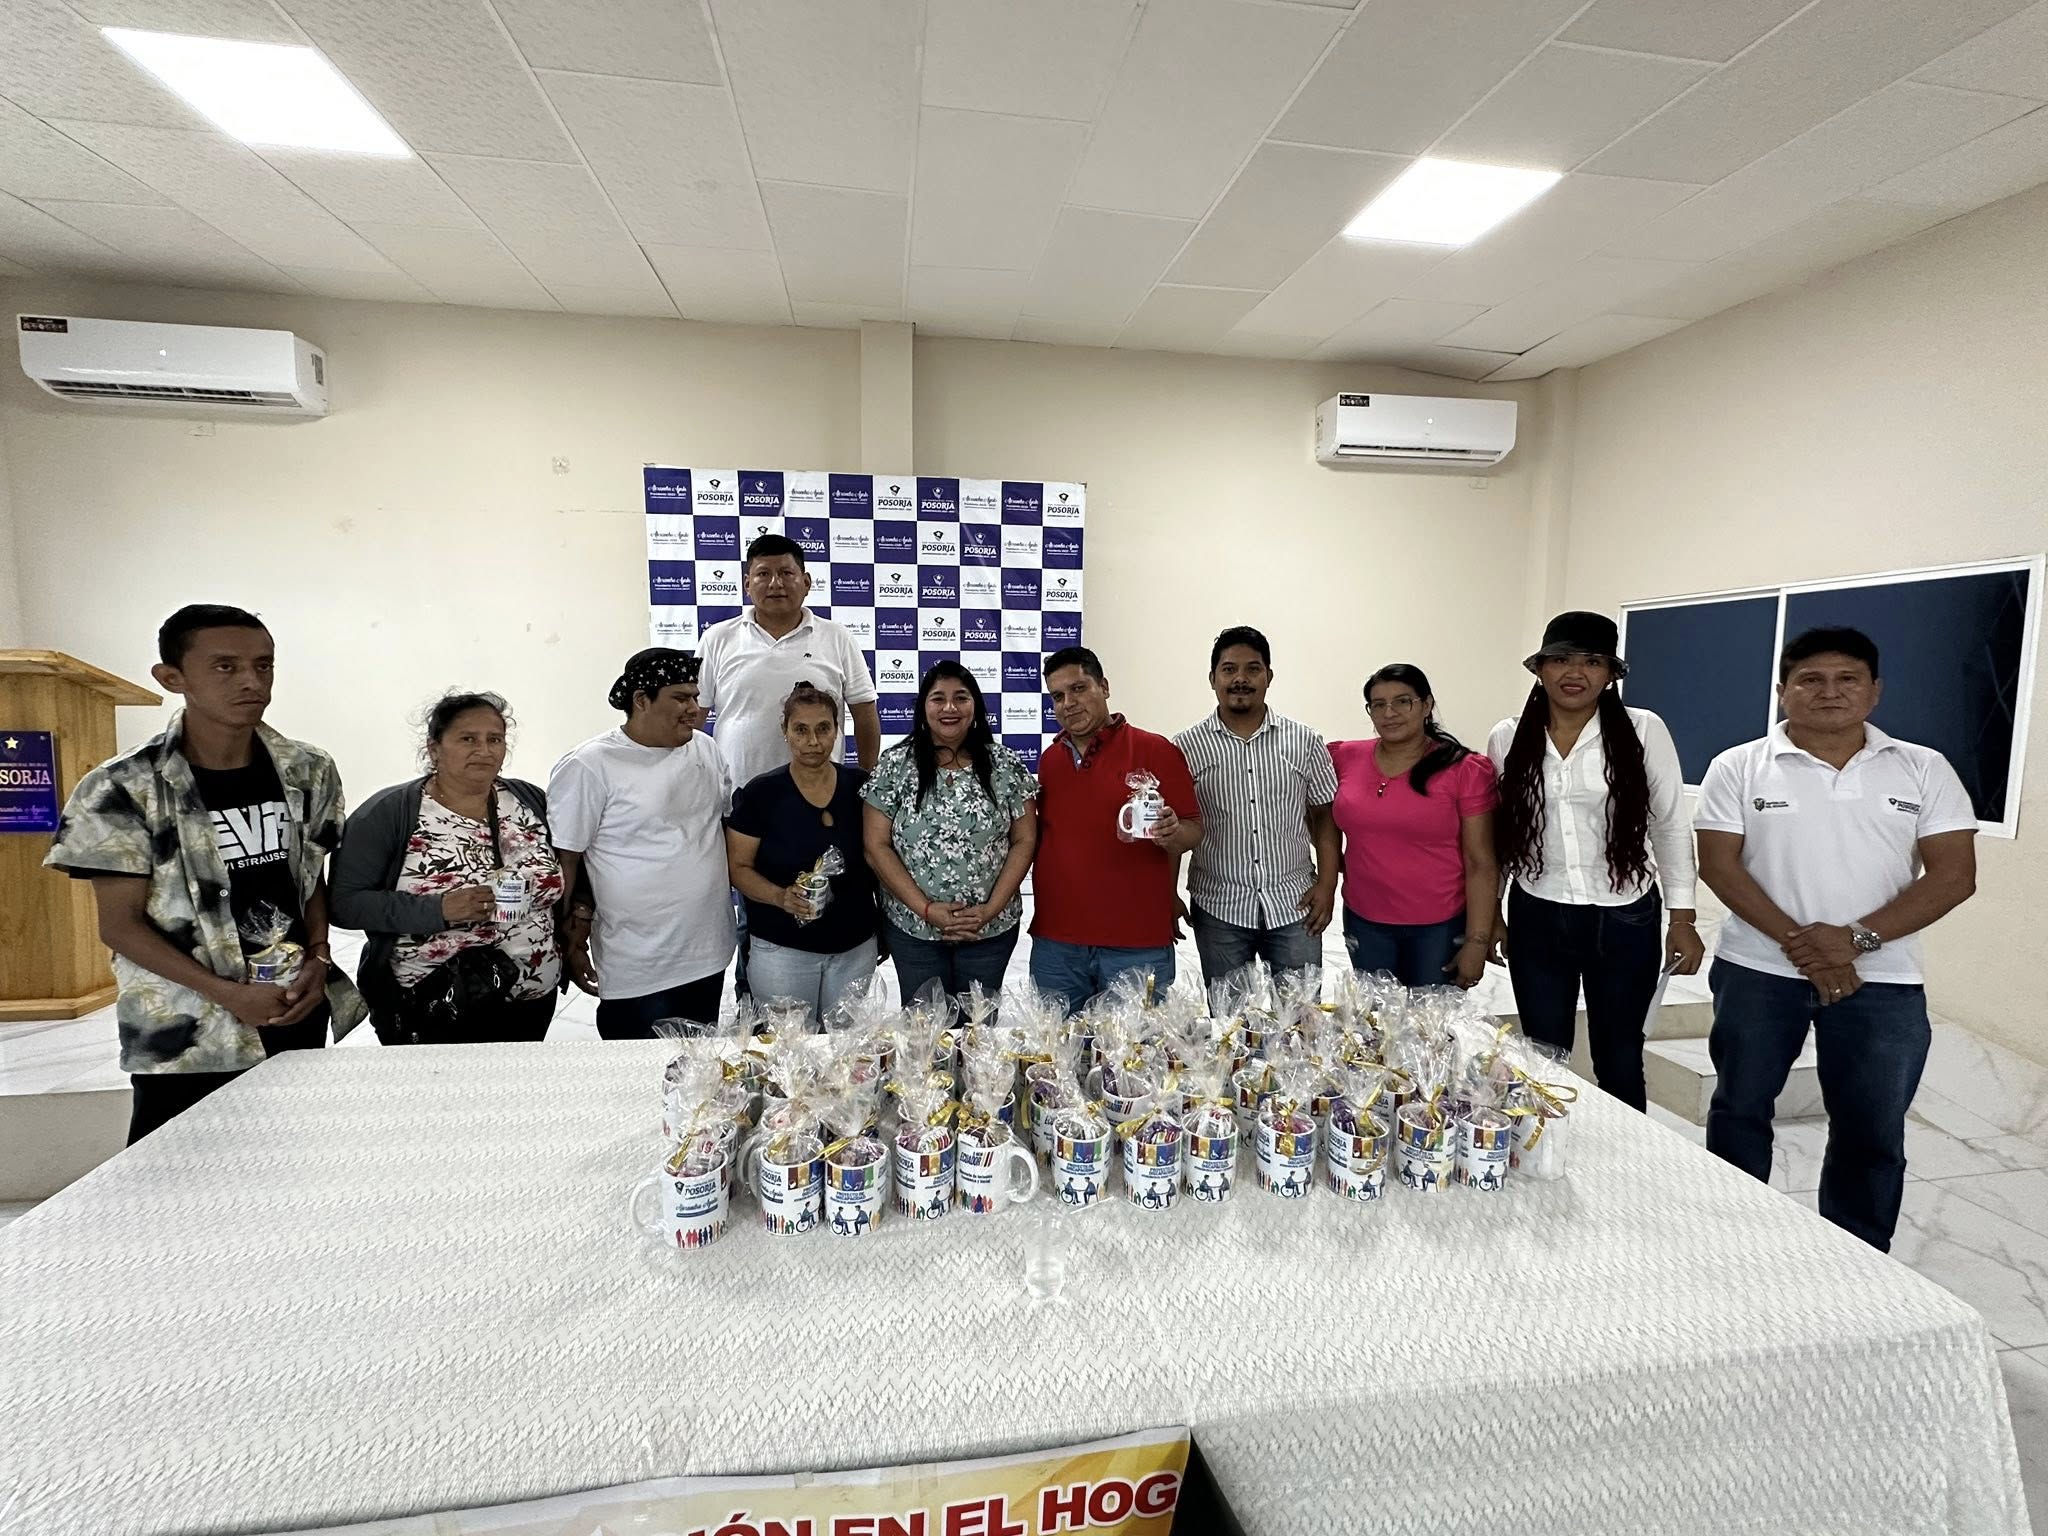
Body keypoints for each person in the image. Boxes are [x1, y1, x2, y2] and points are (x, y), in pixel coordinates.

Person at [1696, 627, 1978, 1252]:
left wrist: (1855, 940)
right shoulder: (1738, 766)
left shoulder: (1923, 768)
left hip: (1884, 980)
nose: (1830, 691)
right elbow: (1718, 865)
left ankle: (1856, 1262)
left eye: (1847, 678)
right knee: (1740, 1111)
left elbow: (1955, 876)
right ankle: (1728, 1246)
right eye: (1811, 679)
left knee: (1872, 1131)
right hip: (1758, 972)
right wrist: (1811, 948)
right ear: (1782, 691)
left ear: (1874, 691)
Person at [42, 604, 365, 1143]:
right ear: (172, 677)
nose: (251, 681)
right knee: (176, 1172)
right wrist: (227, 994)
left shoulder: (308, 770)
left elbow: (309, 878)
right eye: (225, 666)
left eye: (263, 665)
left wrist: (319, 956)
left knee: (292, 1158)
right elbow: (119, 926)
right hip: (187, 1028)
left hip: (289, 1005)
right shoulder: (123, 786)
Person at [1488, 611, 1701, 1112]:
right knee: (1543, 1054)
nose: (1575, 673)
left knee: (1620, 1056)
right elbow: (1501, 834)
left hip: (1625, 916)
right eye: (1561, 660)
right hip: (1538, 910)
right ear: (1541, 668)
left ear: (1610, 673)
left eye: (1591, 661)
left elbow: (1670, 824)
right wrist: (1491, 912)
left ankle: (1624, 1156)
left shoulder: (1643, 729)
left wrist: (1683, 917)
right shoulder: (1508, 736)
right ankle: (1545, 1146)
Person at [697, 532, 882, 994]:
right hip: (745, 807)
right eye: (763, 574)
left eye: (786, 573)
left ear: (806, 581)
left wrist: (869, 785)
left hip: (824, 800)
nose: (775, 583)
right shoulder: (719, 639)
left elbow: (864, 714)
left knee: (834, 897)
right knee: (753, 915)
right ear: (746, 583)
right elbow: (693, 720)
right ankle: (756, 1010)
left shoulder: (836, 638)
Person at [331, 691, 563, 1044]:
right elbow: (344, 904)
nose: (484, 750)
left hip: (531, 998)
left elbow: (564, 871)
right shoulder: (388, 814)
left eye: (495, 739)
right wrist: (439, 909)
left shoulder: (528, 801)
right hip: (435, 1004)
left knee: (517, 1080)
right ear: (434, 748)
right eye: (468, 739)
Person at [548, 649, 734, 1036]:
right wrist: (568, 938)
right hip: (639, 965)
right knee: (639, 1066)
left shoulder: (706, 749)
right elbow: (567, 860)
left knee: (697, 1065)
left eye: (695, 697)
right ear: (641, 700)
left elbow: (723, 827)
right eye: (680, 698)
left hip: (709, 952)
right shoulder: (589, 765)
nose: (693, 709)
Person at [1031, 646, 1201, 1015]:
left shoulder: (1155, 750)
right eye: (1057, 696)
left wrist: (1173, 832)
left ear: (1104, 687)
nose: (1068, 704)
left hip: (1136, 942)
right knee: (1055, 1046)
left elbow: (1194, 830)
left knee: (1135, 1049)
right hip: (1056, 943)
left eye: (1079, 689)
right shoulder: (1050, 761)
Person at [862, 661, 1037, 1001]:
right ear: (923, 707)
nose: (950, 708)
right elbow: (875, 846)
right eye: (938, 698)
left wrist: (989, 910)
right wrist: (927, 909)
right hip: (914, 928)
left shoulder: (1005, 765)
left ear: (976, 706)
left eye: (961, 697)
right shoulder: (895, 765)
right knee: (924, 1024)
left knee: (979, 1023)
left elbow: (1024, 839)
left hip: (989, 929)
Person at [1172, 625, 1338, 985]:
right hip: (1219, 906)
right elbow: (1175, 828)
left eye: (1253, 669)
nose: (1240, 679)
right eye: (1229, 669)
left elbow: (1325, 819)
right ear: (1212, 678)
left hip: (1295, 903)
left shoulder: (1305, 741)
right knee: (1229, 1014)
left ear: (1269, 676)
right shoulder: (1184, 748)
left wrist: (1327, 886)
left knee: (1301, 1014)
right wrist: (1167, 894)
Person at [1330, 664, 1499, 988]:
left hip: (1438, 927)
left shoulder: (1463, 769)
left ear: (1426, 705)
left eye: (1402, 701)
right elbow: (1314, 810)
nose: (1389, 713)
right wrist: (1331, 860)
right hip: (1364, 920)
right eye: (1378, 704)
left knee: (1430, 1018)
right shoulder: (1344, 757)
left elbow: (1481, 862)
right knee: (1375, 1015)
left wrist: (1477, 941)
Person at [726, 681, 881, 1021]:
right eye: (801, 730)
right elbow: (738, 867)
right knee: (789, 1046)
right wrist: (780, 897)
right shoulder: (761, 794)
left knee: (844, 1043)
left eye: (823, 729)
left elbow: (879, 859)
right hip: (782, 950)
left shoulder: (861, 788)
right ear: (785, 732)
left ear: (837, 731)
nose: (813, 741)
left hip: (855, 947)